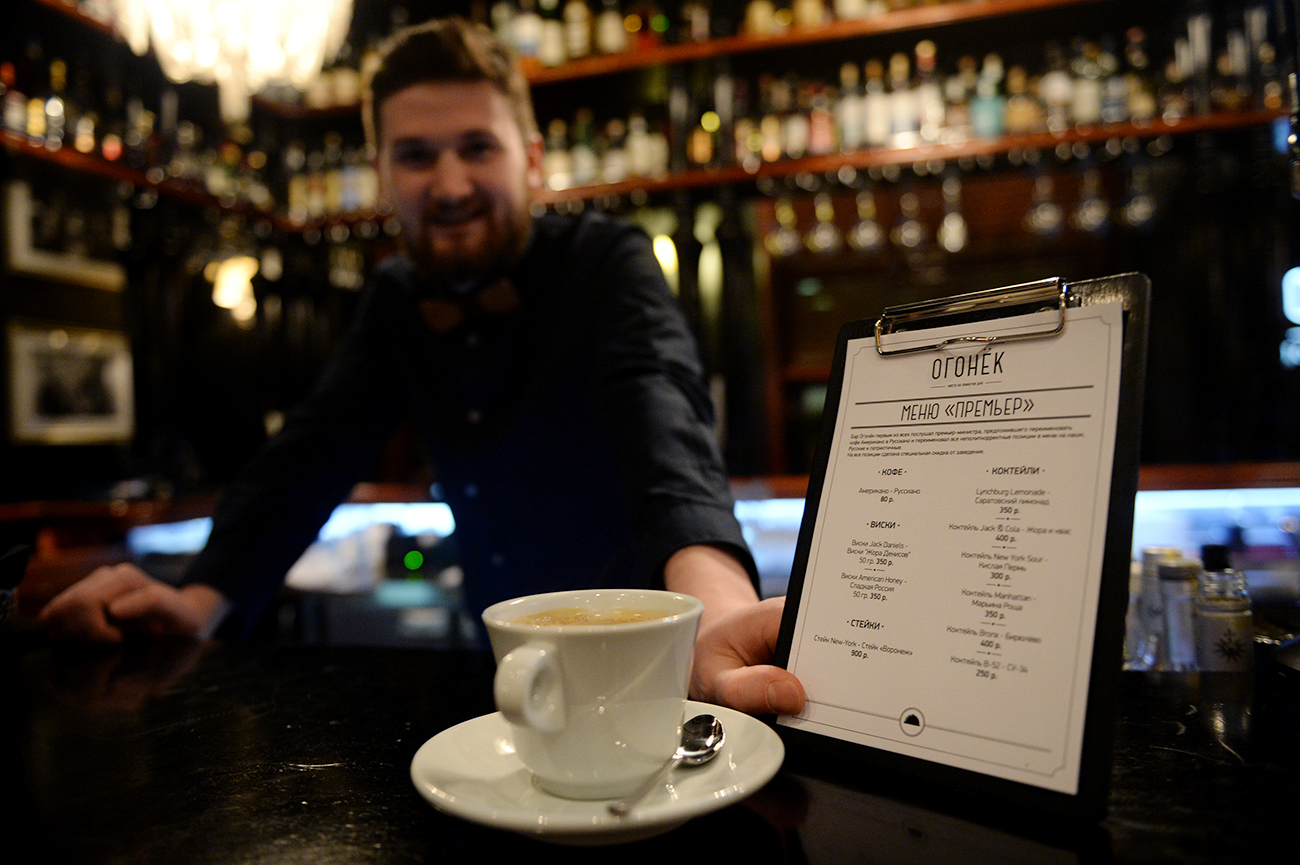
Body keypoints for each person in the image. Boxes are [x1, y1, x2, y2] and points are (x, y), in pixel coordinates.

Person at [38, 17, 804, 717]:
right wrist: (199, 599)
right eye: (415, 156)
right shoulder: (397, 299)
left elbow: (661, 413)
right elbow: (310, 454)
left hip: (651, 669)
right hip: (505, 680)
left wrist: (717, 609)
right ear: (381, 174)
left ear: (531, 159)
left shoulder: (604, 261)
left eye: (477, 147)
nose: (449, 185)